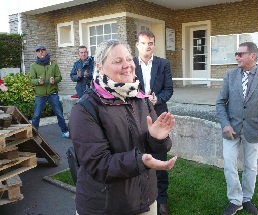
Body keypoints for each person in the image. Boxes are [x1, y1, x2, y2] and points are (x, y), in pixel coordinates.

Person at [69, 39, 177, 215]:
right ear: (100, 67)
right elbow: (98, 165)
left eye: (128, 59)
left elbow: (155, 146)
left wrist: (157, 139)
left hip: (146, 200)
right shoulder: (85, 109)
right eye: (118, 61)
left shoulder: (141, 98)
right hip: (105, 207)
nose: (127, 65)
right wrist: (139, 161)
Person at [215, 42, 258, 215]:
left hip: (254, 129)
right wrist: (225, 124)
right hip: (231, 129)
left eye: (240, 54)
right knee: (229, 164)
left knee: (250, 167)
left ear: (253, 56)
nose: (237, 57)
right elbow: (220, 103)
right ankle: (235, 200)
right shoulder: (230, 75)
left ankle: (246, 198)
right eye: (236, 54)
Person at [133, 30, 174, 215]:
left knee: (160, 157)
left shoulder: (163, 64)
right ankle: (140, 195)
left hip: (158, 115)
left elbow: (168, 90)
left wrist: (157, 100)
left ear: (154, 45)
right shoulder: (130, 64)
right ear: (137, 45)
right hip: (136, 116)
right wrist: (142, 97)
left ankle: (162, 200)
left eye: (150, 42)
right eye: (143, 42)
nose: (147, 46)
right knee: (138, 155)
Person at [29, 45, 70, 138]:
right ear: (36, 53)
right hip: (40, 94)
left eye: (42, 50)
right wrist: (38, 81)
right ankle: (33, 133)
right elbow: (31, 80)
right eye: (38, 51)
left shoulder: (53, 64)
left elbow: (59, 77)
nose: (41, 52)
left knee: (59, 113)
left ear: (46, 51)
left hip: (52, 93)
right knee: (36, 115)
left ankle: (65, 131)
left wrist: (54, 80)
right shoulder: (33, 65)